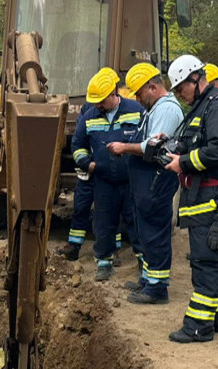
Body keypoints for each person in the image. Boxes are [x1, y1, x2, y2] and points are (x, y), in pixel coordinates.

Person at [162, 54, 218, 343]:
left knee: (205, 261)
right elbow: (199, 142)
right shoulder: (203, 106)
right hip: (204, 195)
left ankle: (198, 326)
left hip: (212, 196)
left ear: (195, 79)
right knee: (214, 260)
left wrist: (183, 163)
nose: (180, 96)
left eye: (181, 89)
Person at [105, 62, 183, 304]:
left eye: (139, 93)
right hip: (146, 183)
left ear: (152, 87)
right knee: (145, 232)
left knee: (156, 233)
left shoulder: (167, 110)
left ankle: (157, 288)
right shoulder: (155, 108)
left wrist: (124, 147)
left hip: (156, 181)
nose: (137, 99)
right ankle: (148, 279)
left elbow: (153, 145)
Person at [71, 67, 144, 281]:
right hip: (103, 181)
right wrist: (87, 164)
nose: (97, 105)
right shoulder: (90, 116)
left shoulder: (136, 110)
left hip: (132, 180)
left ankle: (143, 261)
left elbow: (150, 139)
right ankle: (104, 263)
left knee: (136, 222)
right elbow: (77, 144)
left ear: (114, 94)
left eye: (101, 100)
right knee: (103, 223)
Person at [57, 93, 123, 264]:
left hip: (108, 173)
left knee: (110, 211)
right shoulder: (88, 109)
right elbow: (80, 139)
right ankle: (74, 246)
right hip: (89, 171)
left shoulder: (123, 109)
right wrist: (87, 163)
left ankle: (113, 249)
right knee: (80, 207)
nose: (98, 105)